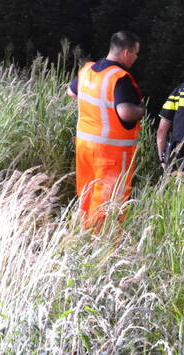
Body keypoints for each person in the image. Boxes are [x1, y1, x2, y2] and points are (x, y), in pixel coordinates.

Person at [67, 31, 144, 230]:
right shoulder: (120, 78)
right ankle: (100, 249)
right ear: (126, 52)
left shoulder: (88, 70)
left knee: (86, 197)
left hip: (85, 149)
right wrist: (142, 110)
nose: (136, 58)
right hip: (111, 154)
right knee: (108, 206)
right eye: (135, 53)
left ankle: (81, 238)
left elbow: (71, 92)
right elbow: (126, 112)